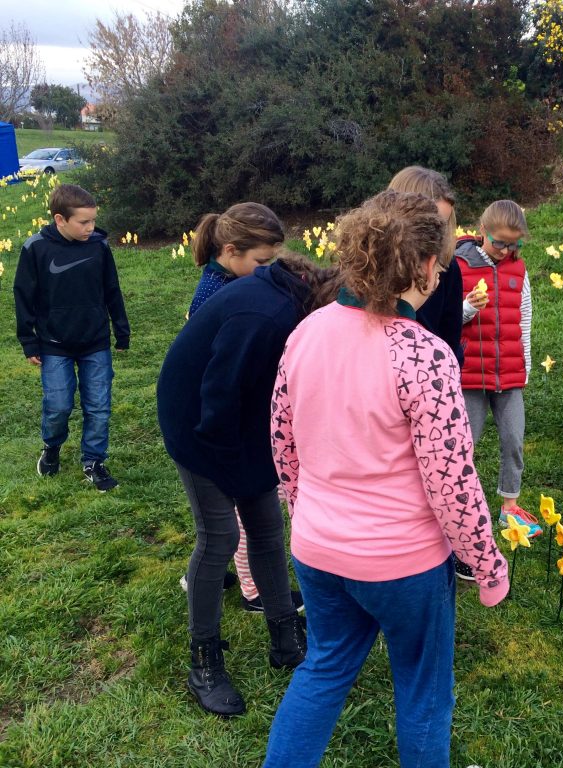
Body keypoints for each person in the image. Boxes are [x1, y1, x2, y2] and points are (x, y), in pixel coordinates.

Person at [262, 190, 508, 768]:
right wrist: (488, 564)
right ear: (424, 267)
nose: (441, 275)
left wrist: (307, 512)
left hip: (318, 550)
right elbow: (454, 482)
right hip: (404, 564)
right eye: (441, 264)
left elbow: (281, 440)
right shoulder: (425, 355)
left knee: (322, 669)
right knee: (424, 693)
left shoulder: (307, 332)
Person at [157, 250, 335, 717]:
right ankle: (205, 660)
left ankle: (284, 638)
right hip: (199, 424)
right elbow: (218, 392)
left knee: (268, 529)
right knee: (220, 537)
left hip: (248, 421)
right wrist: (233, 467)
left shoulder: (294, 310)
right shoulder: (266, 315)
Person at [176, 202, 303, 614]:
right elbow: (222, 378)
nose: (269, 271)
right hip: (220, 431)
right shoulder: (223, 296)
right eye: (262, 262)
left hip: (231, 423)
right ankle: (253, 590)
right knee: (239, 519)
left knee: (241, 519)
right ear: (231, 252)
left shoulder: (230, 282)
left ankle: (233, 571)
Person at [13, 183, 129, 491]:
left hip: (95, 341)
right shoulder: (35, 247)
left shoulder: (99, 246)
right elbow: (23, 295)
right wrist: (29, 340)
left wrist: (121, 329)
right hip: (54, 344)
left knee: (99, 406)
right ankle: (51, 446)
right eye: (84, 222)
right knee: (59, 405)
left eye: (93, 220)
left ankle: (93, 461)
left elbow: (112, 290)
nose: (91, 228)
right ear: (59, 219)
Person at [457, 199, 541, 543]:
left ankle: (510, 505)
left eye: (514, 244)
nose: (507, 250)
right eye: (500, 242)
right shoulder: (459, 265)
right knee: (465, 444)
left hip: (508, 373)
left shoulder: (518, 271)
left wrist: (525, 365)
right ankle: (459, 505)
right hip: (469, 374)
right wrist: (466, 309)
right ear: (482, 231)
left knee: (513, 440)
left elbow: (525, 319)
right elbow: (447, 320)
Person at [387, 166, 462, 365]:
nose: (436, 235)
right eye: (429, 224)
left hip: (431, 375)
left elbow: (450, 337)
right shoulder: (370, 264)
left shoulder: (446, 266)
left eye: (442, 225)